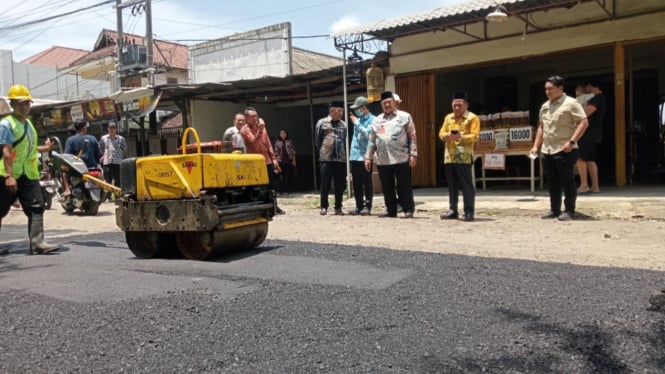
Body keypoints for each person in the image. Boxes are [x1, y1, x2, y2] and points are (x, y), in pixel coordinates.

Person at [0, 84, 60, 255]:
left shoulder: (28, 125)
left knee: (36, 207)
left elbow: (29, 148)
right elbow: (6, 151)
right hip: (7, 174)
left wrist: (45, 148)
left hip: (29, 174)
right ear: (12, 104)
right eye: (21, 103)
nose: (25, 106)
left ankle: (37, 243)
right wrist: (9, 176)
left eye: (27, 103)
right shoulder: (6, 124)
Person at [530, 75, 588, 221]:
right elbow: (541, 127)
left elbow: (583, 122)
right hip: (547, 149)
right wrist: (536, 146)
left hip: (565, 148)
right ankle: (554, 209)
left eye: (550, 89)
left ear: (560, 88)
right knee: (552, 181)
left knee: (567, 180)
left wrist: (572, 142)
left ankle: (569, 210)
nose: (547, 92)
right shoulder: (545, 106)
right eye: (546, 89)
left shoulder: (571, 103)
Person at [364, 91, 417, 218]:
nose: (387, 105)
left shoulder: (405, 116)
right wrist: (368, 157)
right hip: (383, 159)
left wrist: (413, 154)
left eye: (389, 102)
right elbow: (372, 139)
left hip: (401, 157)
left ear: (394, 103)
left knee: (404, 185)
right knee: (387, 187)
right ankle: (391, 210)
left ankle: (408, 209)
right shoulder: (377, 120)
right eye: (384, 103)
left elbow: (412, 136)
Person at [439, 92, 480, 222]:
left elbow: (475, 136)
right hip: (450, 156)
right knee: (452, 185)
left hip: (464, 156)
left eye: (460, 105)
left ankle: (469, 212)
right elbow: (441, 132)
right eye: (454, 105)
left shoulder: (472, 118)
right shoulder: (448, 118)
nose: (456, 108)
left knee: (466, 185)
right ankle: (453, 210)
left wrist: (461, 137)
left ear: (466, 105)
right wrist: (446, 136)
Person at [240, 107, 285, 215]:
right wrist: (260, 130)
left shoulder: (262, 127)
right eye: (252, 116)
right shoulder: (245, 130)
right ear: (246, 119)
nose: (255, 118)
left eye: (256, 116)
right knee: (259, 186)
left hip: (267, 160)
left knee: (272, 185)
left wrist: (274, 159)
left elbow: (268, 143)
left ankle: (274, 206)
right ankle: (261, 208)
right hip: (255, 163)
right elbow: (254, 142)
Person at [315, 101, 347, 215]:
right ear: (332, 111)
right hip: (326, 159)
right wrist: (325, 151)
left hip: (340, 159)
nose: (340, 114)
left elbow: (344, 139)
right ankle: (324, 207)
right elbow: (318, 141)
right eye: (338, 111)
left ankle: (338, 207)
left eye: (341, 111)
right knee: (325, 184)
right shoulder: (322, 123)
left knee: (339, 184)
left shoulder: (343, 124)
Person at [577, 81, 606, 194]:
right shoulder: (600, 98)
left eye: (587, 86)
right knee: (590, 159)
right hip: (594, 133)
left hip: (587, 133)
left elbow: (586, 113)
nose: (586, 88)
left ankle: (584, 185)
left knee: (580, 158)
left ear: (593, 86)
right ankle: (595, 186)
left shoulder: (597, 98)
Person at [348, 96, 375, 215]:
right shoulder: (358, 119)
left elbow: (368, 134)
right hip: (354, 155)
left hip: (365, 156)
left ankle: (367, 206)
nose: (356, 111)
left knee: (367, 182)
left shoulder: (373, 119)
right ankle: (359, 206)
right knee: (356, 183)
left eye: (357, 108)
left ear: (364, 107)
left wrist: (357, 123)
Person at [63, 119, 102, 196]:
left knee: (64, 174)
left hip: (77, 169)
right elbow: (98, 155)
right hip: (92, 167)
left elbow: (67, 156)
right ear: (84, 128)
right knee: (102, 177)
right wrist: (97, 163)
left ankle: (67, 190)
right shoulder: (92, 138)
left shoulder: (70, 140)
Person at [99, 121, 127, 199]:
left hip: (118, 162)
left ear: (116, 129)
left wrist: (122, 157)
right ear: (108, 129)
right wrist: (103, 155)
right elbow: (101, 148)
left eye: (113, 128)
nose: (112, 130)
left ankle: (117, 196)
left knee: (118, 180)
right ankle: (108, 197)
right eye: (110, 128)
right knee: (108, 180)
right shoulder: (103, 138)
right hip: (107, 162)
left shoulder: (121, 139)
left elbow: (124, 149)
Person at [273, 128, 296, 194]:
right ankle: (281, 190)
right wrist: (275, 161)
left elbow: (293, 151)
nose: (283, 134)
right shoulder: (277, 142)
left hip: (289, 161)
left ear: (286, 134)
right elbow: (276, 152)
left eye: (284, 133)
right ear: (279, 134)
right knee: (281, 176)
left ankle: (288, 190)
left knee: (289, 176)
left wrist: (294, 160)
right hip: (280, 161)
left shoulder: (290, 141)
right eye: (281, 133)